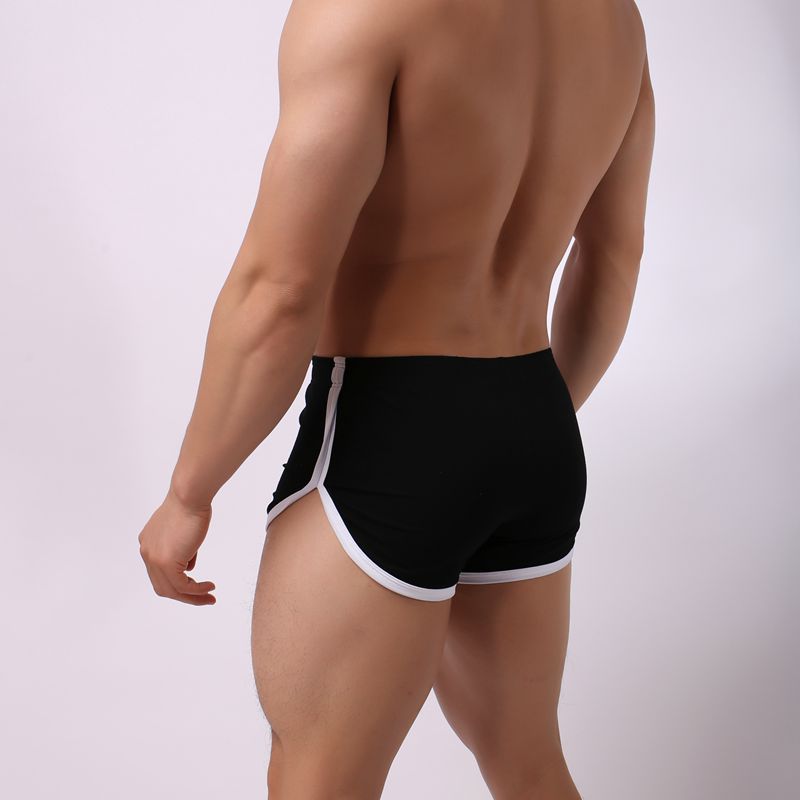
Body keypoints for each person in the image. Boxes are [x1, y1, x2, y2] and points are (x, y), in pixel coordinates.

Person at [137, 0, 655, 796]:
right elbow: (613, 257)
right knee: (528, 764)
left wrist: (188, 492)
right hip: (535, 419)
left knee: (319, 779)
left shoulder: (365, 9)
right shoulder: (614, 19)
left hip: (390, 432)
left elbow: (280, 290)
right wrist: (527, 423)